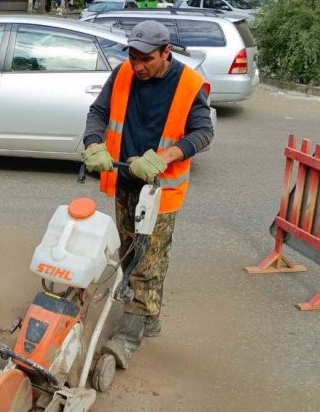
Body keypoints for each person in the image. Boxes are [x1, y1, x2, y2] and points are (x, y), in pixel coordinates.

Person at [80, 20, 213, 369]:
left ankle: (126, 339)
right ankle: (148, 316)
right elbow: (98, 112)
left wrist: (164, 157)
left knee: (146, 264)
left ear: (166, 52)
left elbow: (203, 132)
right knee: (129, 254)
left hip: (159, 192)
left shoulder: (188, 84)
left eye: (146, 59)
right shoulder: (124, 73)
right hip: (124, 182)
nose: (137, 66)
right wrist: (93, 143)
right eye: (133, 57)